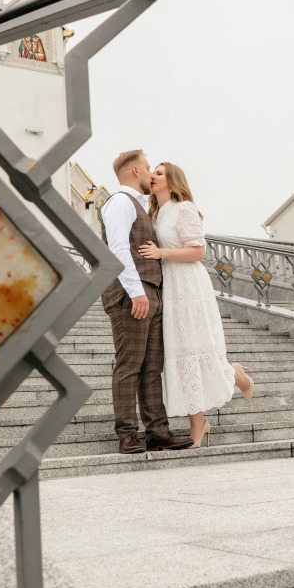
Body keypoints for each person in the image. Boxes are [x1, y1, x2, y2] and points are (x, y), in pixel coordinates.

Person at [138, 163, 254, 448]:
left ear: (173, 180)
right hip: (168, 286)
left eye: (160, 173)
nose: (152, 175)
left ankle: (228, 388)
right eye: (152, 171)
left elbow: (198, 251)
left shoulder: (184, 208)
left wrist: (161, 252)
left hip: (188, 286)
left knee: (192, 349)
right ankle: (206, 410)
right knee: (179, 352)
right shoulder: (155, 212)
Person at [100, 150, 194, 455]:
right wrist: (135, 291)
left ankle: (157, 432)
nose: (151, 172)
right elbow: (116, 248)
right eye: (148, 167)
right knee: (130, 366)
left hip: (151, 292)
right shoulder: (119, 202)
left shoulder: (141, 206)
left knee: (152, 368)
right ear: (136, 171)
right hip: (132, 294)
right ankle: (127, 434)